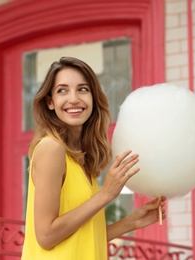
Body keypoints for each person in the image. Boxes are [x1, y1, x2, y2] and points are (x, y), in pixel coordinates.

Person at [21, 56, 166, 259]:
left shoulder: (80, 158)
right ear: (50, 102)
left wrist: (131, 222)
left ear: (93, 98)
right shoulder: (52, 149)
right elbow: (46, 236)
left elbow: (81, 236)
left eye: (83, 89)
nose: (74, 98)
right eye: (62, 90)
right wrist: (106, 193)